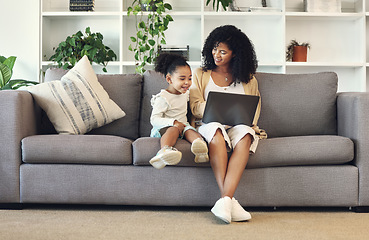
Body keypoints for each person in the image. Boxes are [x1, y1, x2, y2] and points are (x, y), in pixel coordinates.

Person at [189, 25, 267, 223]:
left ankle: (224, 201)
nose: (217, 54)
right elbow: (195, 106)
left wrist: (248, 122)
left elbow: (254, 109)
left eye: (223, 51)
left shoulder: (249, 79)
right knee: (215, 130)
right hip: (208, 124)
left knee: (247, 134)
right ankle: (229, 200)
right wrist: (213, 107)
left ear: (235, 54)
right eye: (214, 49)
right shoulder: (201, 74)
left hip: (237, 125)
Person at [149, 53, 209, 170]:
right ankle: (164, 150)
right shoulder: (163, 97)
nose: (187, 82)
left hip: (183, 126)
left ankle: (199, 147)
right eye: (182, 79)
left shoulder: (185, 93)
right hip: (165, 128)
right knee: (175, 129)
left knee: (191, 131)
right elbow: (154, 120)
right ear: (169, 79)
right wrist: (174, 122)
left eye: (190, 78)